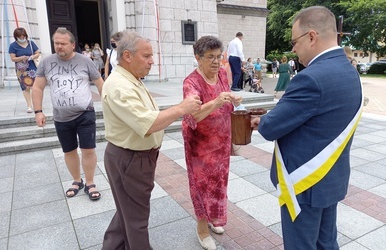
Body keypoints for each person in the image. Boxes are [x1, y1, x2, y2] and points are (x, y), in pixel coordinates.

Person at [251, 6, 362, 249]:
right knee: (326, 242)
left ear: (311, 37)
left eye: (294, 42)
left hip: (305, 184)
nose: (293, 49)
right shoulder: (349, 70)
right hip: (331, 178)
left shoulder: (310, 77)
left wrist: (265, 120)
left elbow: (270, 129)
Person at [101, 30, 202, 250]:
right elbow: (147, 124)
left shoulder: (130, 79)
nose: (152, 61)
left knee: (127, 209)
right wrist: (181, 109)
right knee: (136, 219)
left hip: (133, 157)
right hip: (131, 159)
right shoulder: (120, 85)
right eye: (146, 56)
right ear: (127, 56)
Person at [182, 35, 242, 250]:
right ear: (197, 57)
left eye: (219, 56)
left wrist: (232, 100)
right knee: (201, 187)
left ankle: (213, 217)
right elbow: (192, 116)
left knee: (218, 184)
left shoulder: (222, 74)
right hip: (200, 146)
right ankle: (202, 230)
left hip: (221, 142)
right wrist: (216, 102)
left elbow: (225, 99)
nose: (216, 62)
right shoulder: (191, 83)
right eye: (210, 57)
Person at [32, 28, 103, 201]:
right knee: (69, 151)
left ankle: (90, 182)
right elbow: (37, 87)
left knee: (88, 150)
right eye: (56, 43)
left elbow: (101, 84)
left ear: (72, 44)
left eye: (63, 43)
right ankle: (77, 181)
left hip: (85, 114)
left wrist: (111, 106)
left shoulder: (85, 61)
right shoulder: (46, 62)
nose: (59, 46)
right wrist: (38, 111)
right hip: (61, 117)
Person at [9, 27, 40, 113]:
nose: (22, 38)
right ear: (16, 37)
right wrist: (21, 57)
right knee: (25, 87)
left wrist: (33, 56)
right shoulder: (13, 46)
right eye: (20, 37)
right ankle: (29, 106)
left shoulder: (31, 43)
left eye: (23, 36)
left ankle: (36, 104)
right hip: (21, 69)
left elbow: (37, 53)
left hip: (32, 67)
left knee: (35, 86)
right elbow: (12, 58)